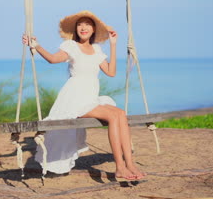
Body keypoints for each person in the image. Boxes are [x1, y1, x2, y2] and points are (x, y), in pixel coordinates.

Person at [22, 10, 146, 180]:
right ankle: (120, 167)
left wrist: (113, 44)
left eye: (87, 24)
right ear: (76, 29)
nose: (83, 27)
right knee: (113, 116)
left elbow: (111, 72)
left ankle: (130, 164)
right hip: (76, 99)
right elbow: (52, 59)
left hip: (91, 98)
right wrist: (36, 45)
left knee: (121, 114)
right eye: (80, 24)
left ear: (94, 29)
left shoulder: (96, 49)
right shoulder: (71, 46)